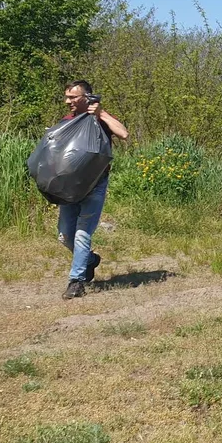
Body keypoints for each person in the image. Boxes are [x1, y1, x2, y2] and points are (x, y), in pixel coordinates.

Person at [57, 80, 129, 299]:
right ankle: (90, 260)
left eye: (72, 97)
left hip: (95, 184)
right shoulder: (67, 122)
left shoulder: (100, 119)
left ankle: (76, 282)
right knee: (64, 236)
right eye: (66, 97)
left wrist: (101, 114)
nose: (67, 101)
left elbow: (124, 134)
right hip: (70, 187)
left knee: (81, 233)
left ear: (86, 97)